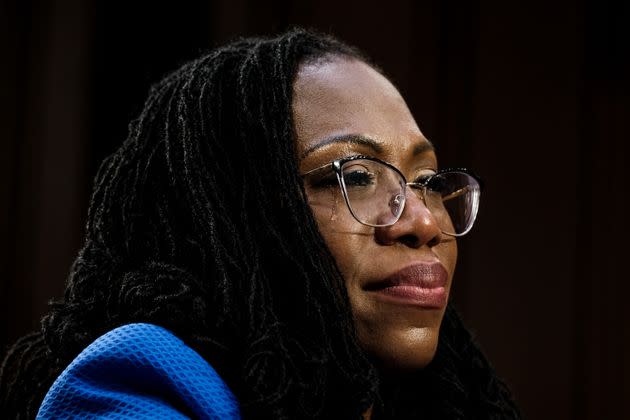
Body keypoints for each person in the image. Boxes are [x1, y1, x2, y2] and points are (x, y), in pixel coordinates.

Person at [0, 28, 520, 419]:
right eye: (356, 175)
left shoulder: (433, 402)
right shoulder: (139, 383)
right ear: (232, 219)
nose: (425, 222)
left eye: (427, 179)